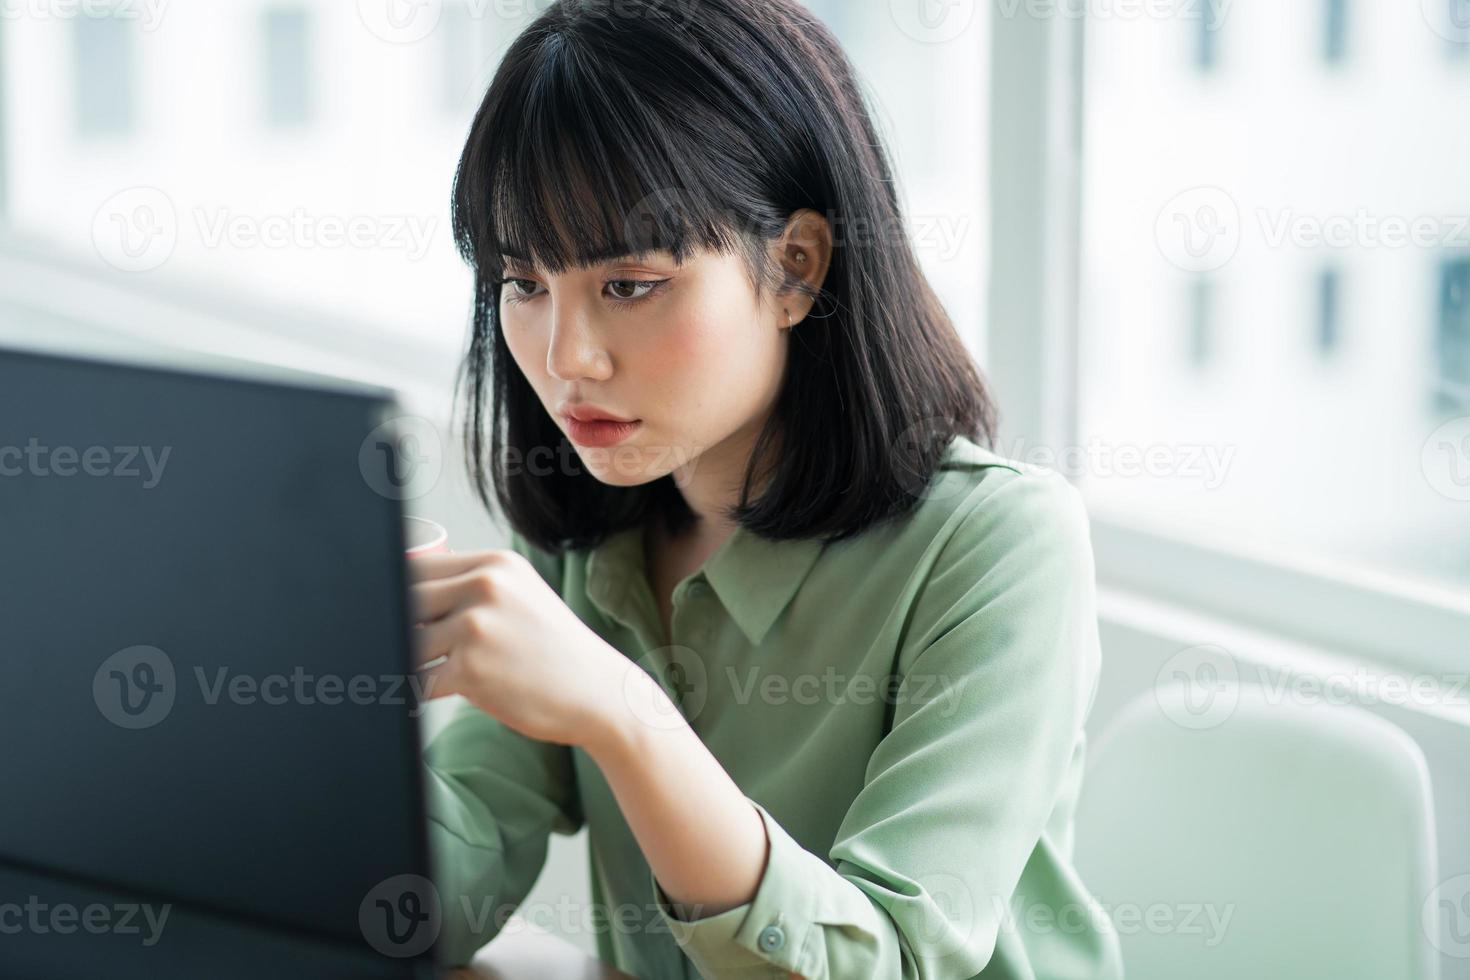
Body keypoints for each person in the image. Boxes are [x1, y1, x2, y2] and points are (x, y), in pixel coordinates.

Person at [409, 1, 1122, 976]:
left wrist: (625, 712)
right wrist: (312, 729)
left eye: (629, 284)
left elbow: (892, 960)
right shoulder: (592, 520)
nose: (566, 356)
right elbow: (435, 890)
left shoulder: (1000, 545)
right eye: (523, 281)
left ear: (794, 268)